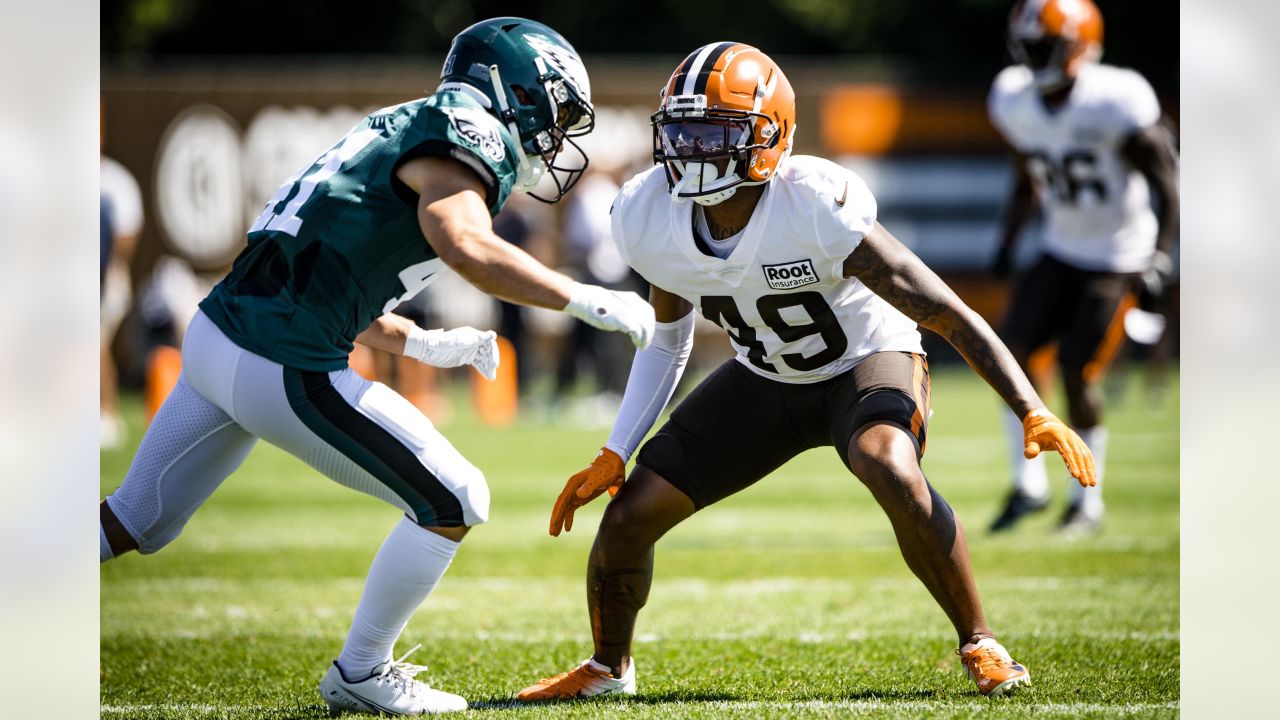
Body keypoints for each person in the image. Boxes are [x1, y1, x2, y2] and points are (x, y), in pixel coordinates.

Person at [98, 17, 654, 717]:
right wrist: (584, 298)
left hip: (220, 335)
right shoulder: (464, 130)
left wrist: (419, 345)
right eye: (555, 107)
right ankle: (361, 671)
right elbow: (463, 244)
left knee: (133, 519)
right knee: (454, 498)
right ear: (508, 88)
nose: (556, 131)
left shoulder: (398, 124)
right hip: (282, 361)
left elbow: (329, 267)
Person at [515, 42, 1096, 702]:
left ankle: (980, 640)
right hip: (765, 376)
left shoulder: (813, 204)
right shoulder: (648, 214)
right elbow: (668, 335)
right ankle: (607, 667)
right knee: (628, 516)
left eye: (713, 134)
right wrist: (616, 449)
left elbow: (943, 310)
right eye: (682, 132)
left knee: (890, 463)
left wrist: (1031, 408)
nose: (691, 151)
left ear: (770, 139)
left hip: (863, 361)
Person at [986, 0, 1179, 534]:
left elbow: (1169, 181)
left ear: (1079, 47)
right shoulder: (1015, 99)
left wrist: (1162, 253)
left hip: (1118, 255)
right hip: (1060, 246)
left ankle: (1085, 504)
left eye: (1046, 45)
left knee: (1076, 371)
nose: (1036, 56)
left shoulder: (1115, 100)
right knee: (1010, 356)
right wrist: (1008, 237)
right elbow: (1027, 176)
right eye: (1031, 46)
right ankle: (1029, 488)